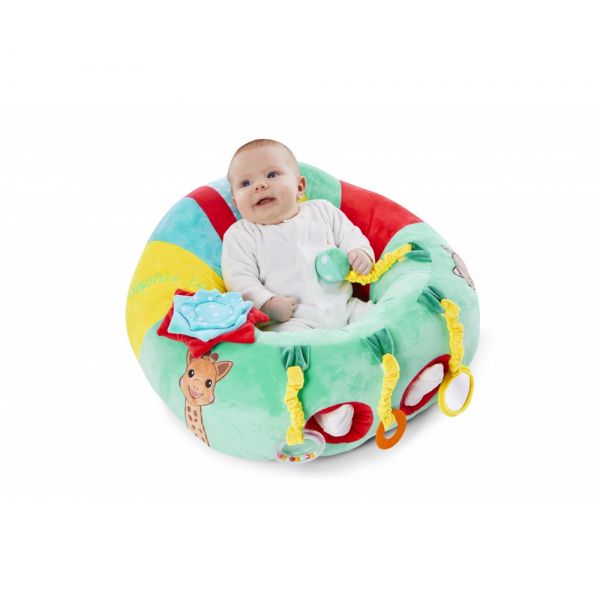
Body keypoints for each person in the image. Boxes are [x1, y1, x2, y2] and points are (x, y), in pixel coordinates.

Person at [221, 139, 375, 333]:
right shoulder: (240, 235)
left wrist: (360, 252)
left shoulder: (323, 211)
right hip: (292, 321)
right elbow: (239, 280)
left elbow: (350, 235)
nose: (259, 186)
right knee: (290, 344)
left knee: (378, 317)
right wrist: (267, 303)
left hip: (345, 308)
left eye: (272, 175)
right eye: (245, 183)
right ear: (236, 203)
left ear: (300, 187)